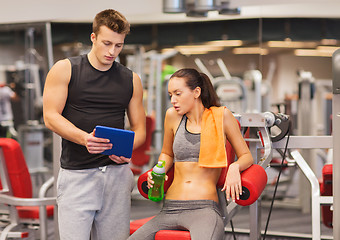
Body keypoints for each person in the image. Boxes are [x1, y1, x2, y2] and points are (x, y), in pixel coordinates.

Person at [43, 9, 146, 240]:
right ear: (93, 38)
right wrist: (84, 138)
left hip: (117, 177)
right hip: (78, 176)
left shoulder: (131, 79)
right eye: (107, 43)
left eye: (118, 46)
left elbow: (140, 130)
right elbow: (50, 116)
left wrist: (127, 151)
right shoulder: (65, 69)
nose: (112, 51)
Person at [129, 68, 253, 240]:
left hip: (203, 209)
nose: (173, 100)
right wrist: (158, 170)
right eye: (170, 95)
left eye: (178, 94)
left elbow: (247, 156)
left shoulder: (222, 116)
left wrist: (234, 167)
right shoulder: (172, 116)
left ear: (196, 92)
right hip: (170, 207)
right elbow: (167, 153)